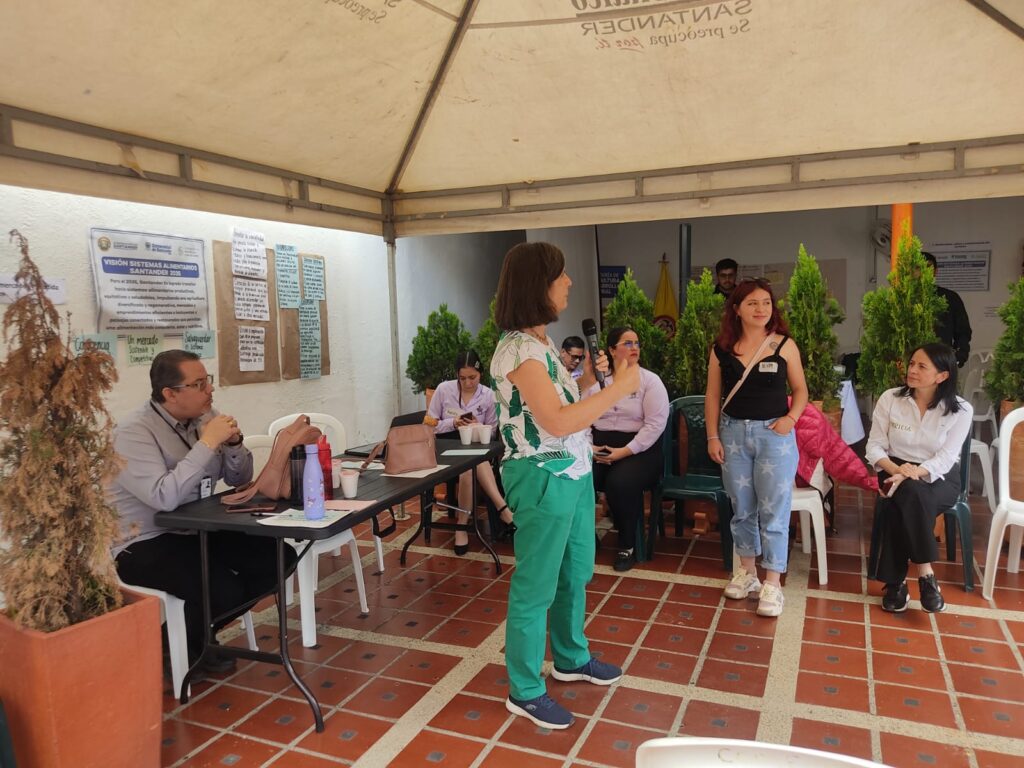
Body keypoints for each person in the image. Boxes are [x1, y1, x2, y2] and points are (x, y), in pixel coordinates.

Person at [490, 241, 640, 730]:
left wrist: (596, 383)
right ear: (540, 284)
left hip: (573, 473)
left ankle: (571, 658)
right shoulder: (517, 349)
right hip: (540, 476)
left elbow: (563, 402)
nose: (569, 282)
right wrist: (618, 391)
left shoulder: (542, 343)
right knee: (535, 586)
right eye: (562, 275)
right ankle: (525, 688)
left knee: (574, 574)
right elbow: (553, 422)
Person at [109, 350, 294, 672]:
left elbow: (239, 478)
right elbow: (163, 497)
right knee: (222, 589)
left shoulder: (205, 419)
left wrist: (234, 444)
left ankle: (182, 639)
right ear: (170, 393)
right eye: (198, 384)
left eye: (207, 381)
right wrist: (206, 444)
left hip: (197, 527)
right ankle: (184, 647)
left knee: (279, 558)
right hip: (144, 541)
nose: (210, 390)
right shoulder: (132, 433)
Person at [706, 278, 808, 618]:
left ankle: (773, 583)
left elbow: (801, 389)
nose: (761, 309)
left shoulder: (784, 345)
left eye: (766, 302)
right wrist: (712, 436)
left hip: (774, 435)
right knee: (742, 507)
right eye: (752, 303)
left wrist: (791, 418)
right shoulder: (721, 348)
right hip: (732, 433)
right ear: (736, 309)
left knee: (775, 511)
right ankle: (747, 573)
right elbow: (712, 396)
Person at [866, 343, 972, 613]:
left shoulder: (961, 410)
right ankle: (926, 575)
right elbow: (874, 447)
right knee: (909, 493)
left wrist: (915, 473)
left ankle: (896, 583)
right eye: (911, 363)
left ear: (942, 376)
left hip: (940, 476)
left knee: (905, 496)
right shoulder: (890, 398)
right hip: (893, 468)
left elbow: (947, 458)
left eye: (921, 366)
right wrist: (897, 471)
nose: (912, 370)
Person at [583, 326, 669, 572]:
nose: (634, 348)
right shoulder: (595, 382)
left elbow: (655, 425)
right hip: (598, 446)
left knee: (620, 482)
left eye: (637, 343)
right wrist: (589, 448)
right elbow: (582, 418)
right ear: (611, 350)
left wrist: (624, 451)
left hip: (640, 450)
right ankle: (586, 536)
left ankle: (627, 544)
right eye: (627, 343)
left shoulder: (649, 381)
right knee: (578, 475)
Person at [425, 350, 515, 554]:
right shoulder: (444, 390)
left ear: (480, 374)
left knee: (471, 465)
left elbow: (493, 431)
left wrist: (478, 425)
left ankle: (462, 525)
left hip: (475, 447)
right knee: (472, 463)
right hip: (446, 447)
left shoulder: (488, 396)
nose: (467, 383)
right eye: (463, 378)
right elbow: (429, 423)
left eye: (472, 378)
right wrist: (452, 423)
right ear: (457, 375)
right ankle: (502, 509)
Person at [923, 252, 972, 367]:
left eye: (928, 267)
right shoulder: (902, 302)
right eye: (918, 267)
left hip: (941, 363)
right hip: (908, 367)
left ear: (935, 271)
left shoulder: (950, 298)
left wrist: (958, 358)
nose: (923, 271)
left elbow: (963, 332)